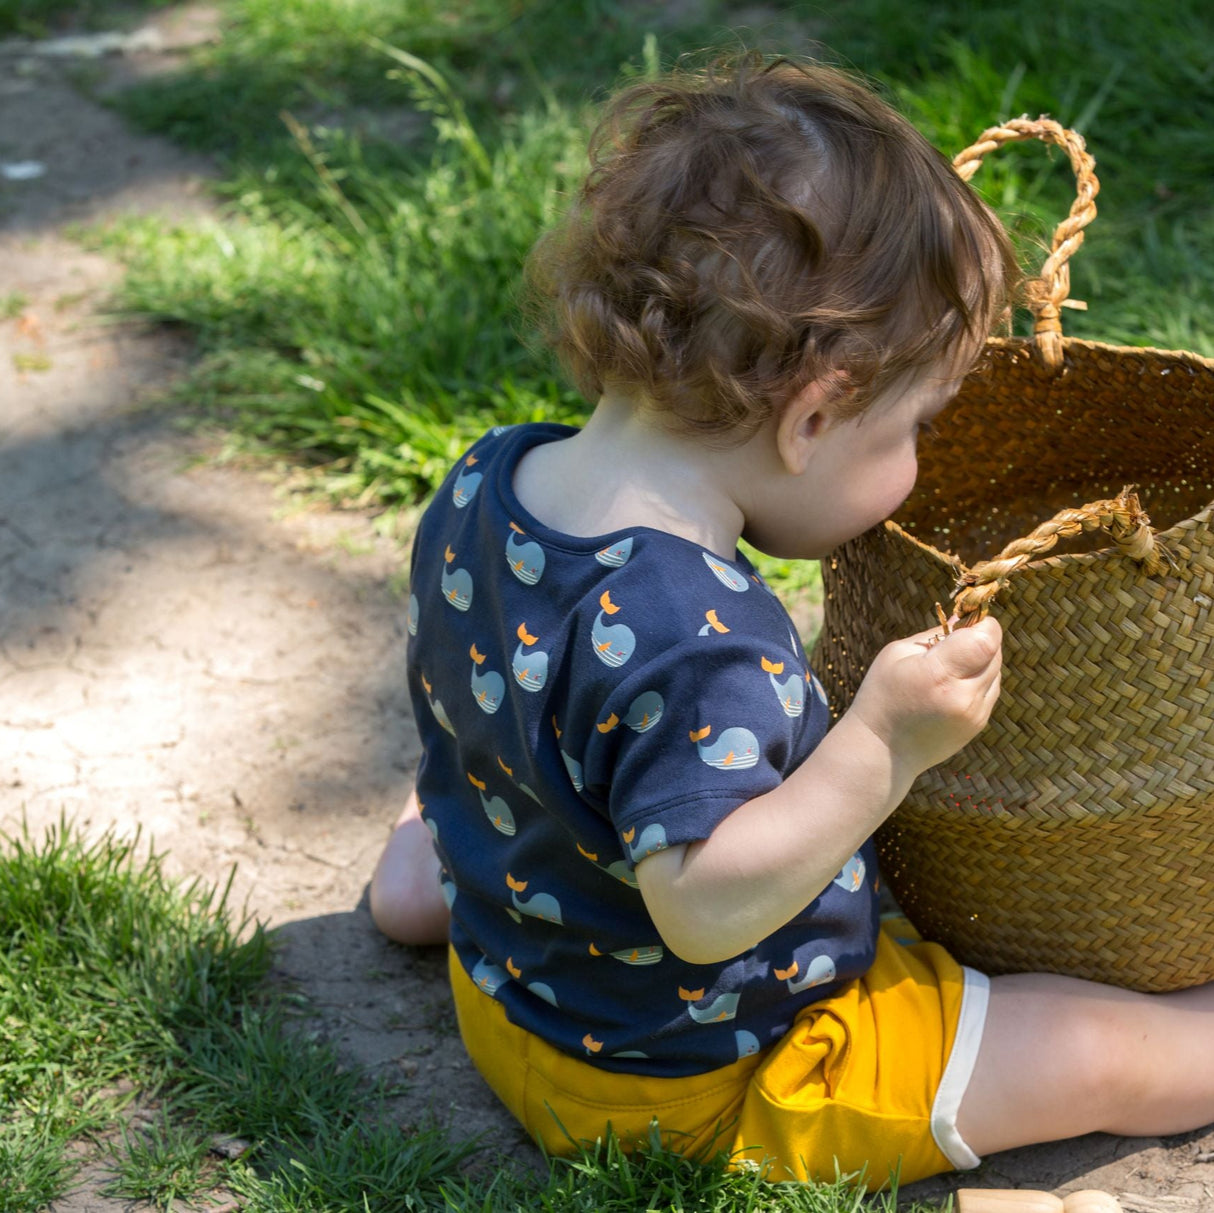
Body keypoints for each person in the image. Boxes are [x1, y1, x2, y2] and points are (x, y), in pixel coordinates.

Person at [369, 54, 1214, 1190]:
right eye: (913, 429)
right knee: (1105, 1052)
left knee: (513, 755)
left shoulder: (492, 477)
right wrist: (883, 745)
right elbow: (705, 906)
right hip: (703, 1076)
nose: (919, 466)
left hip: (512, 992)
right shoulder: (693, 632)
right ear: (812, 417)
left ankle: (420, 884)